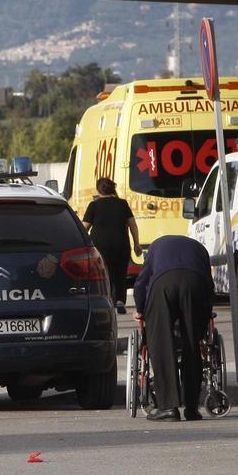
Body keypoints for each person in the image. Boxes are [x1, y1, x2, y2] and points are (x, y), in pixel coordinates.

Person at [132, 234, 213, 422]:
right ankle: (192, 408)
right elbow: (209, 286)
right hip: (195, 283)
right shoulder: (199, 248)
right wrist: (204, 319)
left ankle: (168, 407)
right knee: (192, 344)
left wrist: (140, 310)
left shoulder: (155, 246)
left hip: (163, 283)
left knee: (161, 343)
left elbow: (142, 282)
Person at [82, 177, 142, 315]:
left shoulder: (94, 205)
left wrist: (80, 241)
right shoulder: (122, 204)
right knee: (120, 273)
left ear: (98, 190)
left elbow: (85, 226)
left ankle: (107, 300)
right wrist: (137, 244)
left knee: (104, 273)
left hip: (100, 245)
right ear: (113, 188)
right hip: (121, 243)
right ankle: (120, 301)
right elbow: (132, 224)